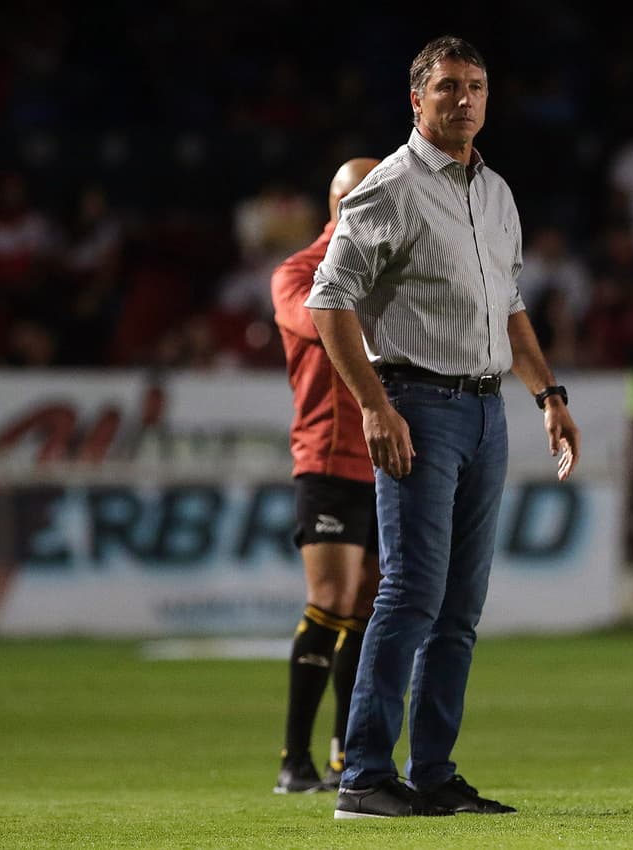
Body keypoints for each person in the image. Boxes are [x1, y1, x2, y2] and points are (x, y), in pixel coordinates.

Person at [306, 35, 580, 819]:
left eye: (477, 87)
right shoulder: (390, 186)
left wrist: (548, 394)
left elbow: (512, 307)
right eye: (449, 87)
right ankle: (362, 776)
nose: (464, 99)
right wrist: (373, 403)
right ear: (416, 100)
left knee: (459, 606)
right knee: (412, 593)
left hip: (488, 407)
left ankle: (431, 773)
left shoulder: (494, 190)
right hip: (418, 404)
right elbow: (328, 300)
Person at [269, 157, 383, 794]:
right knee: (334, 600)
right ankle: (295, 761)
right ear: (340, 206)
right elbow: (324, 322)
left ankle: (347, 755)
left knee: (372, 604)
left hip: (389, 457)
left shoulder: (387, 268)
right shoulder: (297, 273)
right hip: (329, 457)